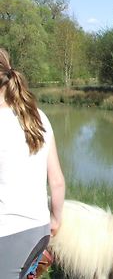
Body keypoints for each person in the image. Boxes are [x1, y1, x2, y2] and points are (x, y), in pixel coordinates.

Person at [0, 48, 65, 278]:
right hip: (39, 230)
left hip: (7, 233)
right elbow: (56, 181)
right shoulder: (38, 116)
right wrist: (55, 219)